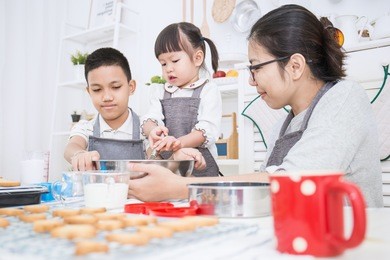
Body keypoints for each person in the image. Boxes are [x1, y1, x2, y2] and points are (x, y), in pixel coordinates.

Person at [128, 4, 384, 207]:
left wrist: (179, 186)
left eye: (256, 68)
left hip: (350, 242)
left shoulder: (345, 98)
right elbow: (264, 192)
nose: (251, 81)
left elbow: (293, 182)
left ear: (294, 66)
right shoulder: (285, 125)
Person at [141, 22, 222, 177]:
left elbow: (207, 130)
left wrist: (178, 143)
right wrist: (153, 131)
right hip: (167, 167)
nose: (168, 68)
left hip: (200, 167)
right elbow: (150, 118)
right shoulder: (159, 91)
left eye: (175, 61)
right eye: (163, 63)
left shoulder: (208, 90)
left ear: (197, 58)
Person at [64, 47, 144, 171]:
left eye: (116, 87)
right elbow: (72, 147)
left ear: (131, 87)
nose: (107, 97)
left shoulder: (146, 127)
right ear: (89, 91)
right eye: (97, 89)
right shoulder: (86, 127)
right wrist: (79, 155)